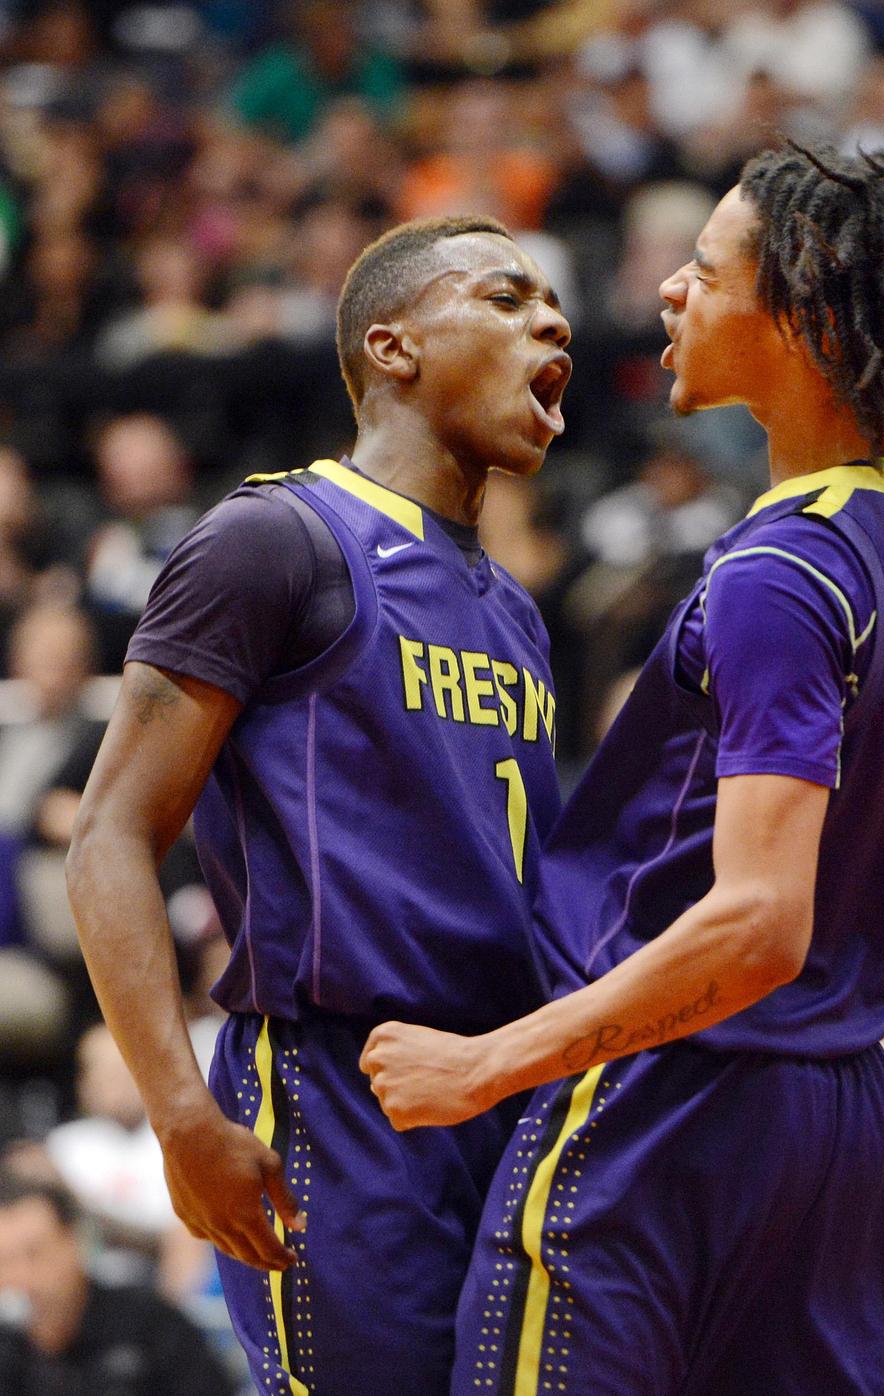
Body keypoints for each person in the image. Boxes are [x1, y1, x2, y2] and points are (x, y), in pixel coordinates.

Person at [363, 142, 884, 1394]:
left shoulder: (781, 578)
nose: (669, 295)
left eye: (704, 269)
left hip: (666, 1102)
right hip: (843, 1123)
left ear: (796, 316)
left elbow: (754, 921)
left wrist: (491, 1062)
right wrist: (817, 1001)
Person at [65, 214, 572, 1394]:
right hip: (344, 1092)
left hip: (501, 1089)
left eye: (550, 303)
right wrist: (180, 1114)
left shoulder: (518, 613)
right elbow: (109, 838)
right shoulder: (277, 541)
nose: (551, 321)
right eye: (504, 298)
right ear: (391, 349)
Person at [0, 1170, 239, 1395]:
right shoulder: (8, 1350)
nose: (21, 1275)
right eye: (5, 1261)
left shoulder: (150, 1323)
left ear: (75, 1241)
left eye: (35, 1253)